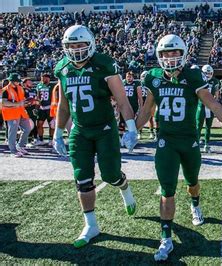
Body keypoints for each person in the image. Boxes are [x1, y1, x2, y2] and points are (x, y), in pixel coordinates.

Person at [135, 34, 222, 262]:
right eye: (165, 54)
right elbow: (147, 109)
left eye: (175, 53)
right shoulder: (154, 77)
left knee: (193, 183)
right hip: (166, 142)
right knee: (167, 189)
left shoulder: (193, 75)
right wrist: (132, 129)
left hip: (189, 141)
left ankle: (195, 205)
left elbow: (212, 103)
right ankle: (166, 237)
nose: (170, 58)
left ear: (183, 53)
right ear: (159, 56)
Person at [52, 25, 138, 248]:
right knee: (82, 179)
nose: (76, 49)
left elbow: (122, 99)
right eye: (72, 45)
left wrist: (131, 127)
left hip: (105, 129)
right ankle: (91, 225)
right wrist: (58, 133)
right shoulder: (62, 68)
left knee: (110, 175)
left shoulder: (104, 64)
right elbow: (64, 105)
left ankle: (124, 187)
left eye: (80, 44)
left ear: (90, 43)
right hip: (79, 131)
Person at [1, 73, 32, 157]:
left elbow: (21, 100)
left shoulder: (20, 88)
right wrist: (18, 104)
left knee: (27, 128)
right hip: (11, 113)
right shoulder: (5, 90)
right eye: (16, 81)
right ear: (11, 81)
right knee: (13, 132)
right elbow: (3, 102)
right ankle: (13, 151)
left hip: (21, 112)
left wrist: (27, 102)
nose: (18, 82)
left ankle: (20, 146)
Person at [196, 64, 220, 153]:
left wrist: (214, 104)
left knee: (208, 126)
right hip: (200, 106)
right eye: (206, 73)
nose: (208, 75)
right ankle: (197, 144)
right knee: (198, 126)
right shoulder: (199, 80)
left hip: (209, 106)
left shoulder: (215, 81)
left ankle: (207, 144)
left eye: (209, 73)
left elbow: (217, 95)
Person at [121, 71, 143, 139]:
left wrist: (141, 106)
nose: (128, 78)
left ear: (133, 77)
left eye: (130, 77)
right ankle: (122, 136)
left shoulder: (136, 83)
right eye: (127, 76)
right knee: (122, 122)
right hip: (124, 105)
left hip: (133, 105)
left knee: (131, 121)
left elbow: (140, 96)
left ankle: (135, 135)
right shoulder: (123, 83)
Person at [36, 73, 55, 145]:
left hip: (50, 107)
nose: (42, 79)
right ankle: (41, 139)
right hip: (42, 108)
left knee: (52, 125)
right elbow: (38, 96)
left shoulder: (53, 85)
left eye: (43, 78)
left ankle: (51, 139)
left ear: (48, 78)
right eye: (41, 78)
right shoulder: (39, 85)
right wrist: (37, 107)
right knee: (39, 124)